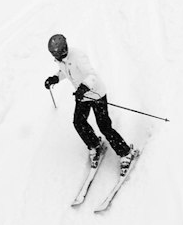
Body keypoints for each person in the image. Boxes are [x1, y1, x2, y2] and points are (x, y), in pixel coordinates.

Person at [44, 33, 136, 170]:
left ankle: (125, 152)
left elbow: (92, 75)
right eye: (53, 55)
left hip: (96, 93)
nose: (55, 57)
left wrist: (84, 87)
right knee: (78, 122)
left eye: (57, 54)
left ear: (64, 49)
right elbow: (65, 71)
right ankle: (94, 144)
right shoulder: (61, 60)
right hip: (82, 96)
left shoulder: (78, 56)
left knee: (104, 127)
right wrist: (55, 78)